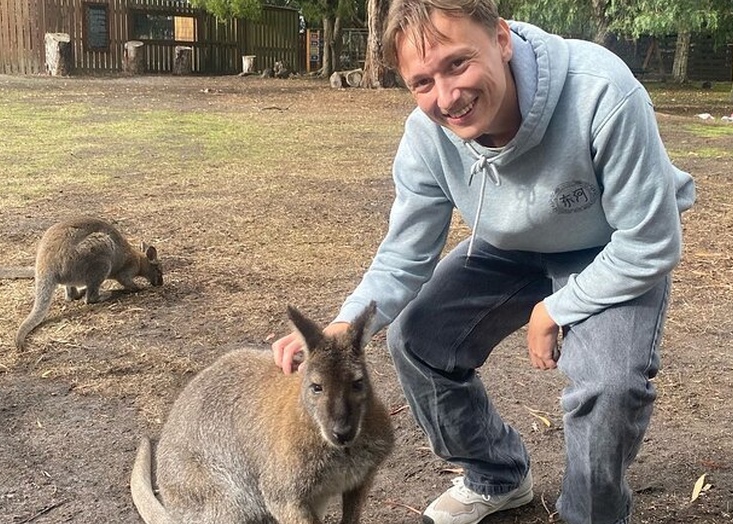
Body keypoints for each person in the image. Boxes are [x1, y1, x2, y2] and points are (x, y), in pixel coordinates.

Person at [273, 0, 696, 522]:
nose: (447, 97)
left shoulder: (601, 90)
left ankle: (592, 514)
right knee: (417, 339)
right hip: (510, 247)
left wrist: (556, 308)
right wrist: (340, 329)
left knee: (609, 383)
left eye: (457, 63)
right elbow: (405, 253)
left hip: (610, 246)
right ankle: (496, 473)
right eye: (422, 82)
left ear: (501, 39)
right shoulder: (427, 135)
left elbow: (651, 241)